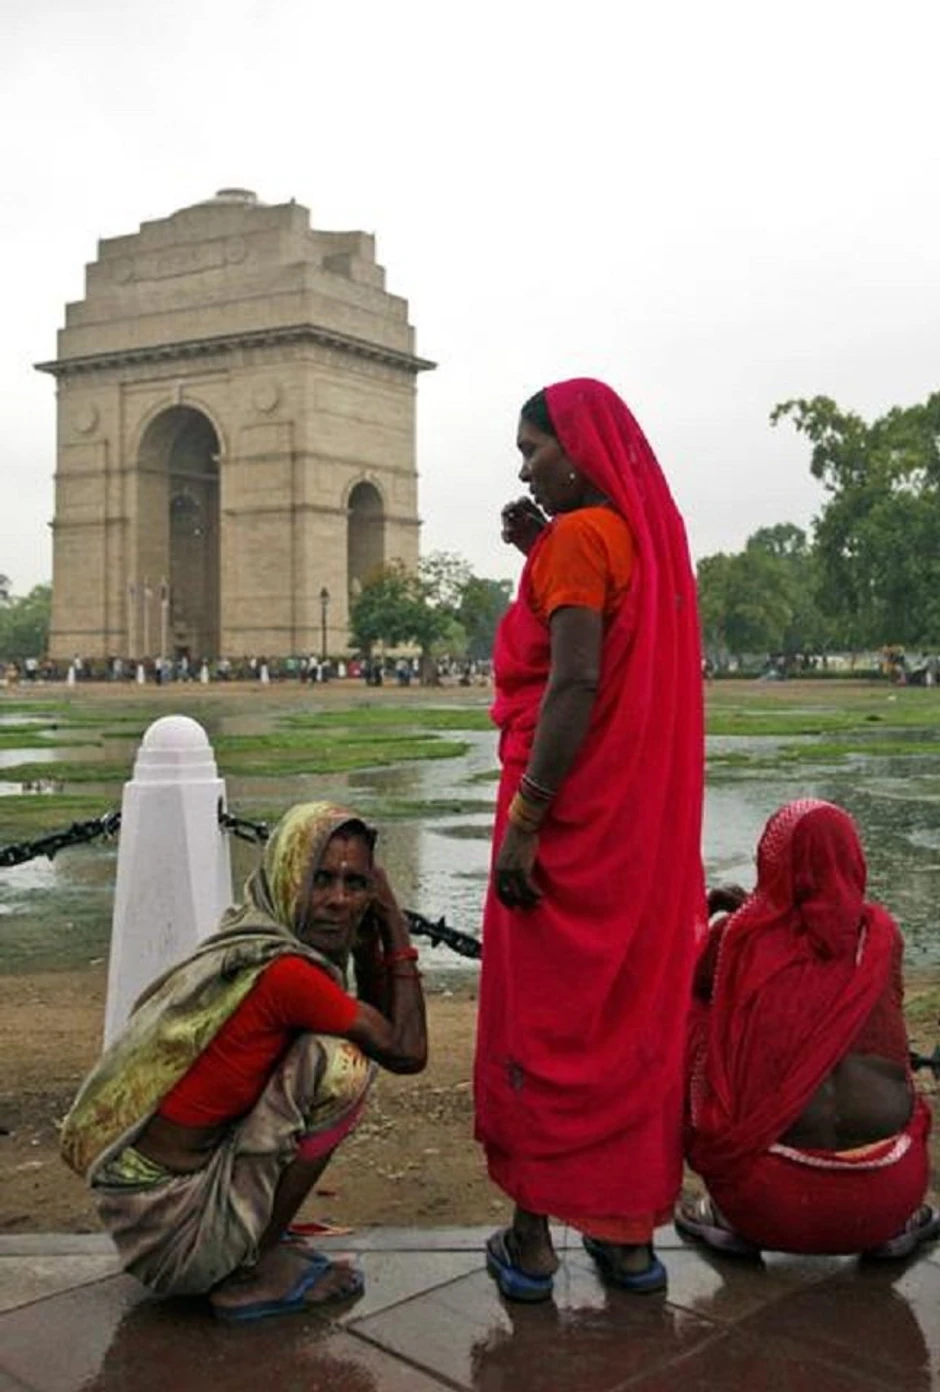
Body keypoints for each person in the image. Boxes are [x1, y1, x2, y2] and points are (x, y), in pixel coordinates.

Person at [474, 378, 705, 1301]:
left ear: (579, 450)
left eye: (533, 449)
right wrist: (542, 548)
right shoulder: (643, 541)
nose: (525, 469)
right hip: (635, 831)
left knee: (545, 1018)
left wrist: (527, 821)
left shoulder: (579, 541)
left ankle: (531, 1242)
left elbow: (574, 683)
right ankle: (628, 1240)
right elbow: (613, 642)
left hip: (563, 825)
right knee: (629, 1016)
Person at [60, 801, 427, 1321]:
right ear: (286, 876)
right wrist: (395, 926)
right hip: (175, 1237)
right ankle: (250, 1270)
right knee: (342, 1066)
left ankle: (248, 1240)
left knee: (316, 1053)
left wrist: (369, 937)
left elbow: (379, 1020)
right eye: (320, 879)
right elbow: (406, 1052)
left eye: (355, 884)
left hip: (147, 1218)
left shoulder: (251, 939)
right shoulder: (288, 976)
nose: (338, 900)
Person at [680, 798, 938, 1259]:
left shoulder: (738, 937)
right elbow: (824, 948)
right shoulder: (882, 936)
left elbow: (696, 984)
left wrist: (732, 920)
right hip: (890, 1193)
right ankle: (898, 1221)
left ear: (773, 863)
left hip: (764, 1201)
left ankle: (722, 1213)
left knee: (696, 1016)